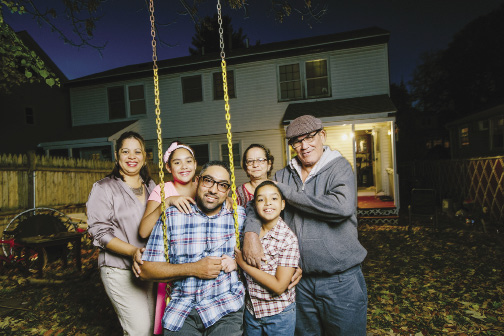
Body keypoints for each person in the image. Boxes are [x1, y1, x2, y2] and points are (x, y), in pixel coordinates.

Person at [243, 115, 368, 336]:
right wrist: (251, 234)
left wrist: (289, 193)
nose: (304, 146)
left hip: (340, 280)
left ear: (322, 135)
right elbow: (255, 205)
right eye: (297, 141)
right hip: (298, 282)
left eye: (309, 137)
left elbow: (341, 207)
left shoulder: (339, 168)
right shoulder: (283, 175)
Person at [139, 161, 245, 336]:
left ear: (228, 191)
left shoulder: (238, 216)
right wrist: (194, 269)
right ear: (197, 181)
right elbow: (146, 271)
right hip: (182, 310)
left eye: (222, 185)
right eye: (208, 181)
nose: (213, 189)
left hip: (225, 306)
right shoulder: (172, 216)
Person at [86, 131, 156, 336]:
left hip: (150, 267)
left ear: (144, 158)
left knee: (153, 328)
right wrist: (133, 251)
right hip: (118, 270)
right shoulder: (104, 188)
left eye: (137, 152)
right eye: (126, 151)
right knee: (140, 330)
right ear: (117, 156)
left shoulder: (152, 187)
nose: (132, 156)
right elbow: (99, 232)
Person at [138, 141, 198, 335]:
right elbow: (143, 231)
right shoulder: (163, 190)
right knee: (175, 322)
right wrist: (167, 203)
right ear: (168, 167)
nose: (184, 167)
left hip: (200, 261)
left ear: (195, 164)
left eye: (188, 161)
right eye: (177, 162)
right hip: (174, 267)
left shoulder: (203, 186)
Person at [234, 181, 299, 336]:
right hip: (252, 311)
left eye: (274, 199)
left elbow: (279, 286)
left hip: (279, 314)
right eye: (261, 199)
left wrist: (243, 263)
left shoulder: (287, 239)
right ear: (254, 205)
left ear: (283, 204)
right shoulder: (248, 234)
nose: (268, 203)